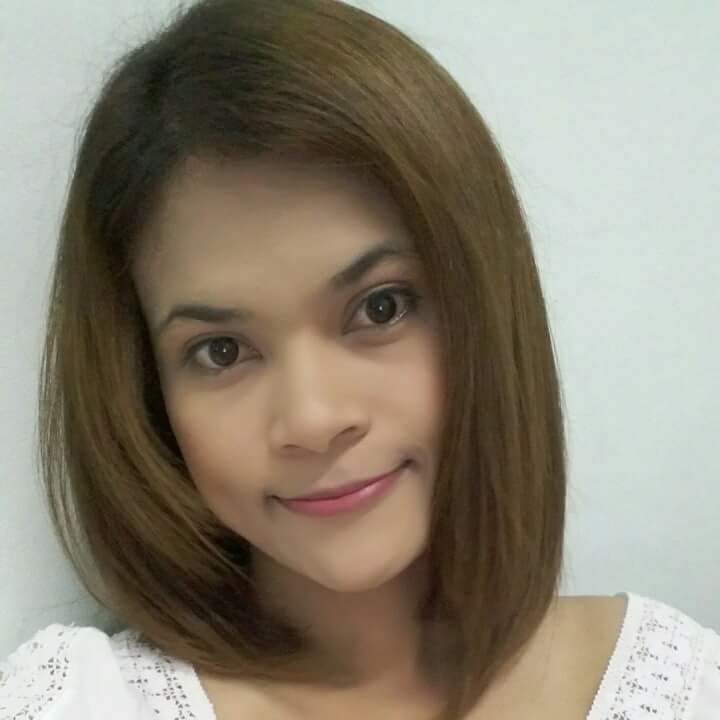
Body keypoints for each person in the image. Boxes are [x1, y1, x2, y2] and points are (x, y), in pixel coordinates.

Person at [1, 0, 718, 718]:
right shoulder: (79, 702)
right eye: (222, 351)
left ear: (483, 308)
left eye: (380, 308)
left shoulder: (681, 686)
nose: (313, 419)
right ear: (145, 395)